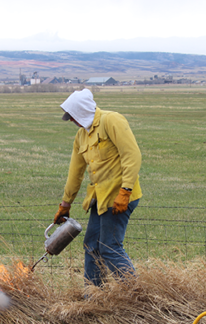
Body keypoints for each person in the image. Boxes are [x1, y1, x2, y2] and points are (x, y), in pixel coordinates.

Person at [53, 88, 142, 288]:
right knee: (92, 246)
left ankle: (136, 294)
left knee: (109, 247)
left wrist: (126, 190)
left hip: (120, 197)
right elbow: (75, 173)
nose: (72, 121)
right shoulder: (81, 136)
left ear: (82, 111)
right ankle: (94, 296)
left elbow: (132, 155)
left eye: (73, 117)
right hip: (100, 199)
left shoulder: (112, 120)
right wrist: (65, 204)